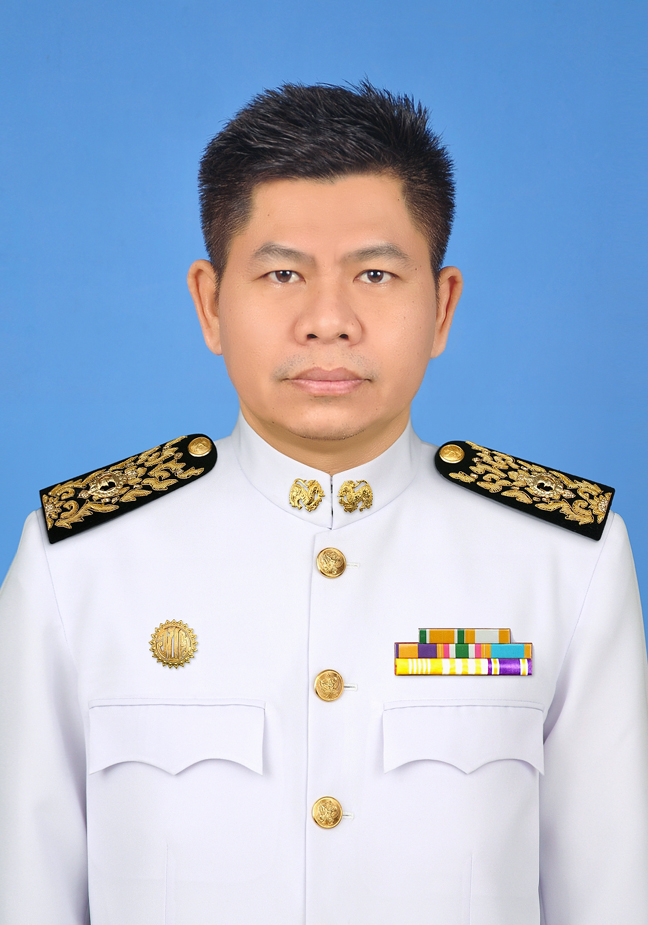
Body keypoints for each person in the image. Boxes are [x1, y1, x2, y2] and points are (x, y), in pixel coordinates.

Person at [0, 82, 646, 925]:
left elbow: (613, 897)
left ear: (443, 305)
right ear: (210, 303)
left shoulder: (563, 562)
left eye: (375, 273)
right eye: (282, 273)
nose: (328, 320)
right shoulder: (79, 563)